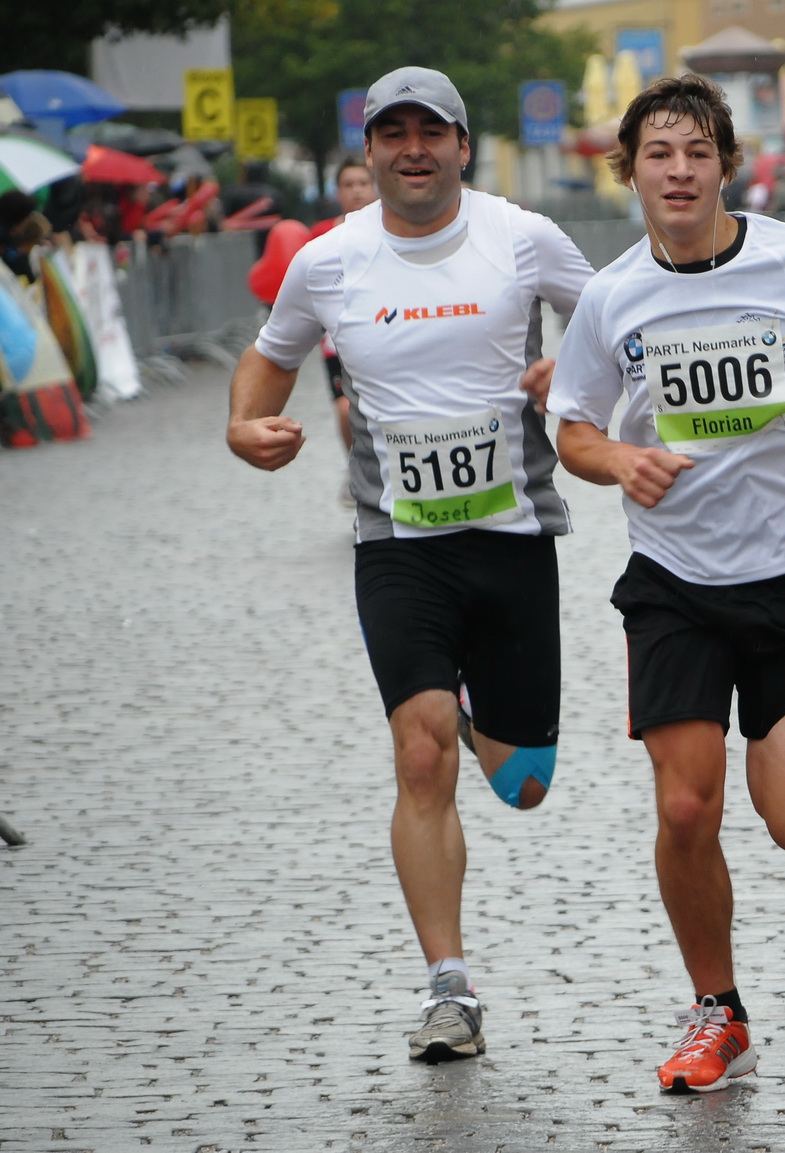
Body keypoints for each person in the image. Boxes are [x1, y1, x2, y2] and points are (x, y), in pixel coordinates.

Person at [224, 66, 596, 1064]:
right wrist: (240, 423)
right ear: (372, 149)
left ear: (462, 146)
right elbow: (270, 354)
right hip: (398, 543)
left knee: (523, 786)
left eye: (432, 131)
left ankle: (479, 712)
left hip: (514, 535)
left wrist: (577, 366)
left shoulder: (521, 237)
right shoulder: (329, 259)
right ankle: (450, 988)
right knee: (419, 749)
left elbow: (613, 323)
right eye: (393, 134)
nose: (413, 149)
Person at [546, 74, 785, 1094]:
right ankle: (718, 1008)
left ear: (725, 165)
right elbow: (572, 423)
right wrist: (620, 461)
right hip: (674, 580)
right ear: (631, 168)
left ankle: (768, 730)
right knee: (686, 808)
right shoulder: (614, 294)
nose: (678, 171)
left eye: (697, 152)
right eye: (658, 154)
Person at [307, 157, 380, 499]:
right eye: (349, 185)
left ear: (374, 187)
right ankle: (357, 465)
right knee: (344, 408)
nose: (356, 191)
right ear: (338, 192)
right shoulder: (320, 235)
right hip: (336, 343)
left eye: (362, 183)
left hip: (382, 336)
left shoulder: (391, 227)